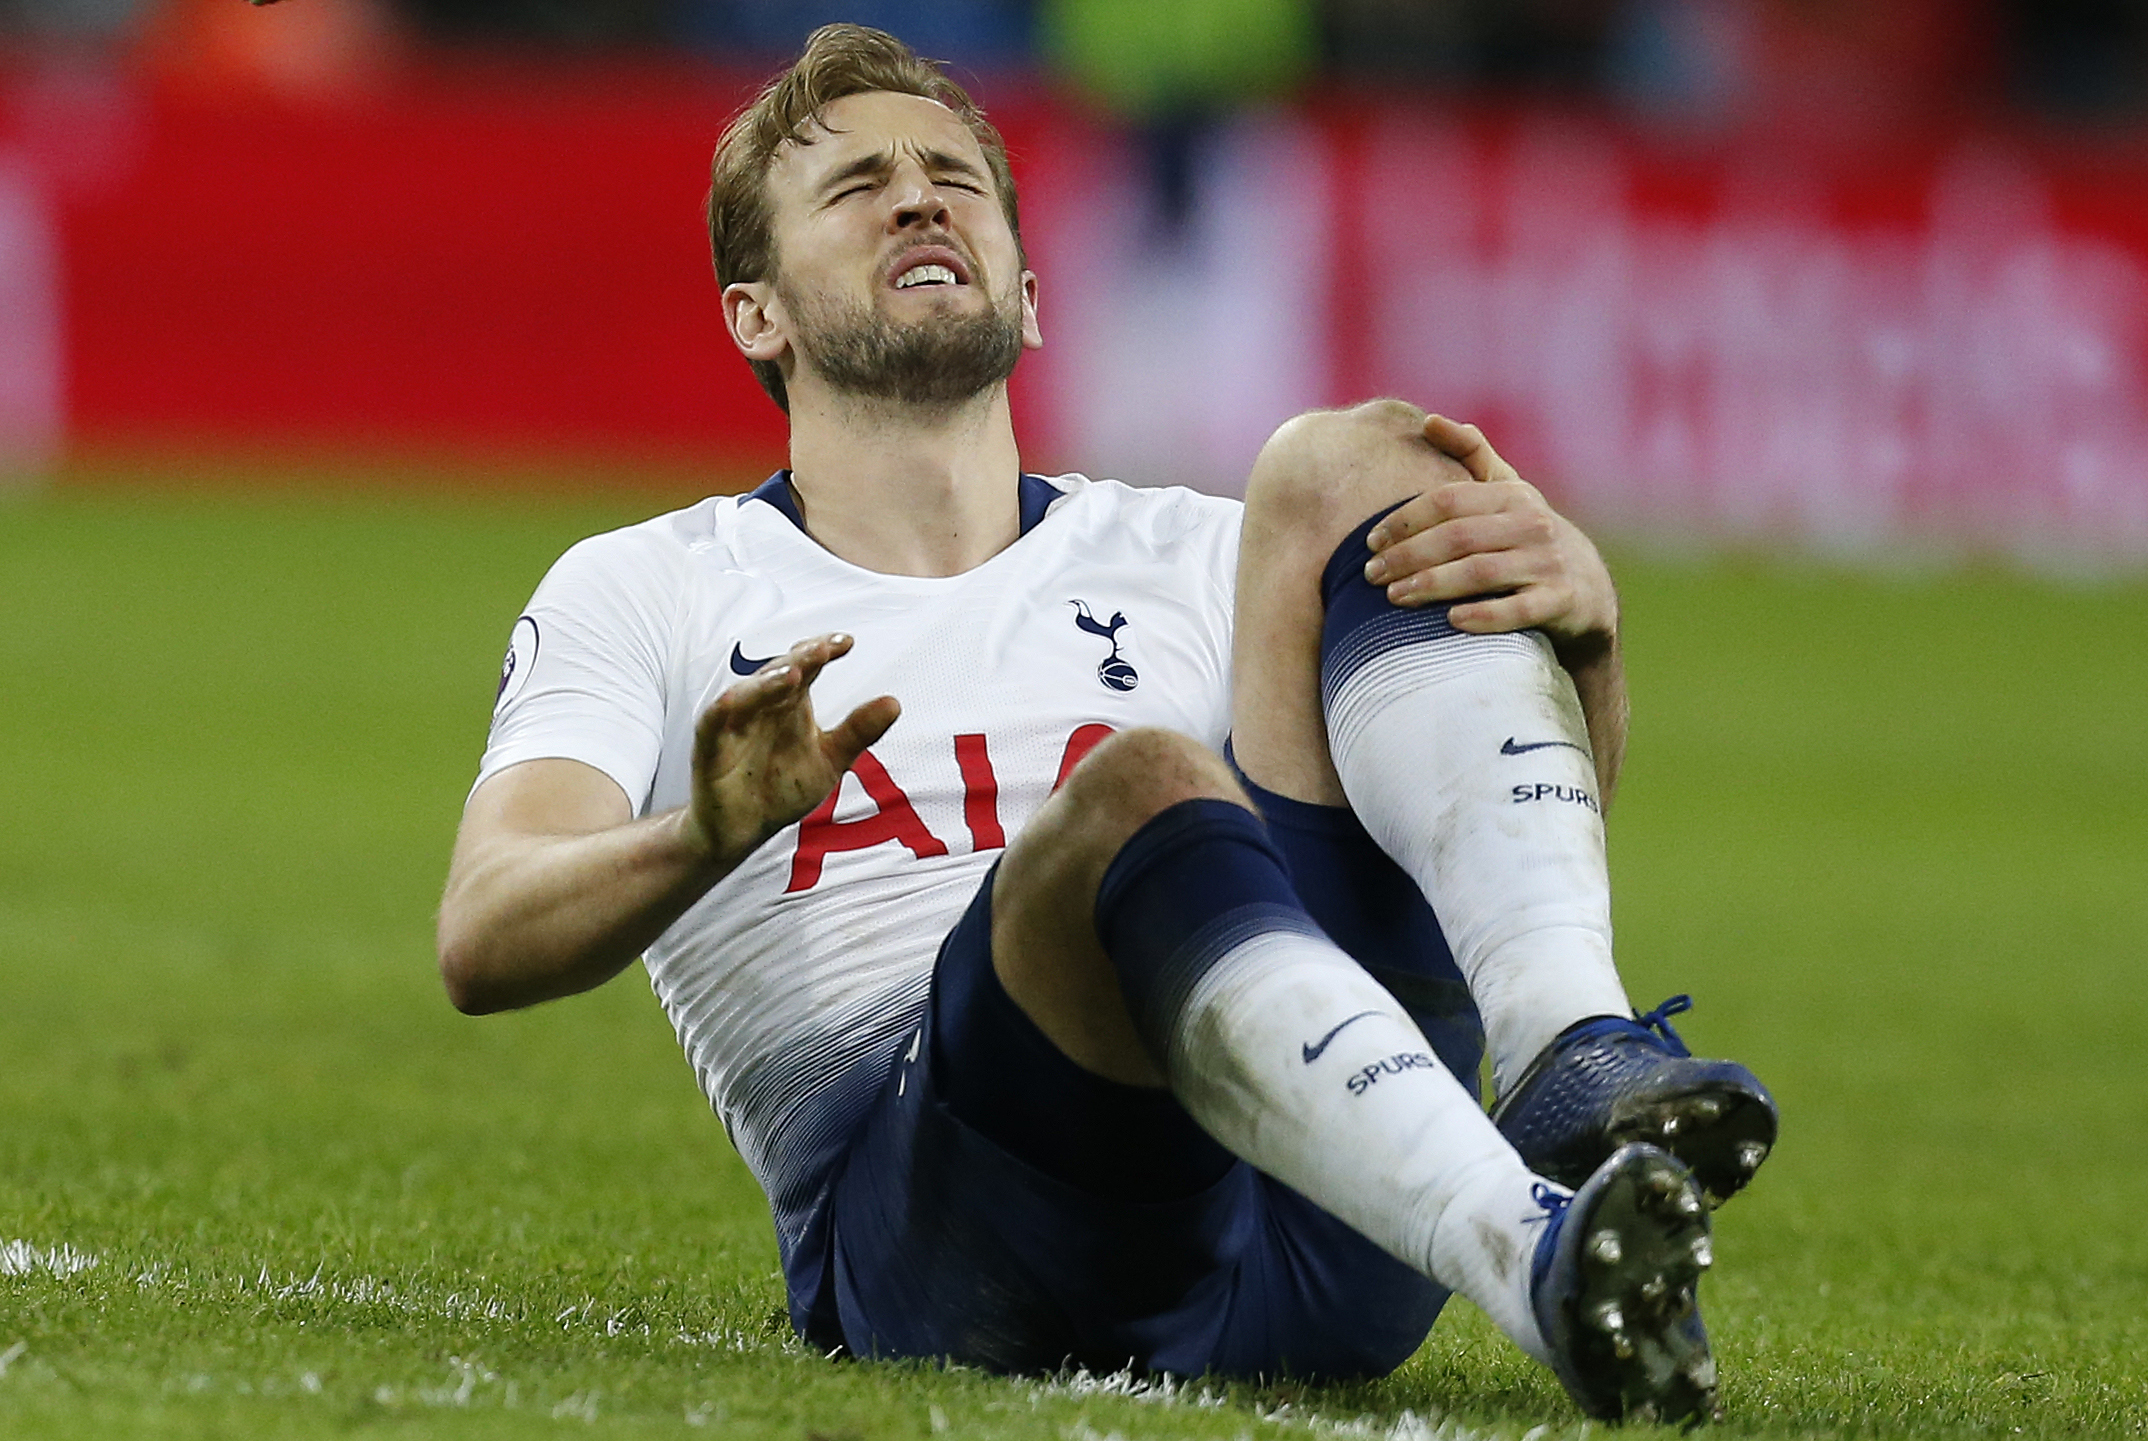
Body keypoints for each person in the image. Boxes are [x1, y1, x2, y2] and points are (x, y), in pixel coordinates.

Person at [436, 23, 1776, 1425]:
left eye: (955, 176)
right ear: (754, 314)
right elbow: (484, 932)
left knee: (1365, 466)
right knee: (1143, 789)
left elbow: (1458, 849)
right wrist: (698, 835)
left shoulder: (1203, 553)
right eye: (857, 187)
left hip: (1319, 1198)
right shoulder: (655, 585)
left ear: (1027, 294)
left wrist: (1585, 642)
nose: (919, 198)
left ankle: (1573, 1047)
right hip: (950, 1238)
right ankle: (1535, 1245)